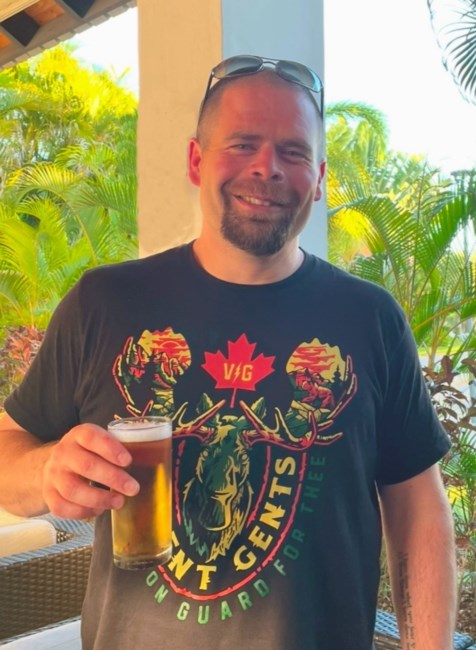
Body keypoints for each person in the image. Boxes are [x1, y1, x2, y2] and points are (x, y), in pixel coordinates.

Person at [0, 55, 456, 650]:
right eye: (242, 144)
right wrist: (45, 472)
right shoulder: (105, 303)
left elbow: (417, 506)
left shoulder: (370, 318)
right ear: (197, 161)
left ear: (319, 178)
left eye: (293, 152)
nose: (267, 168)